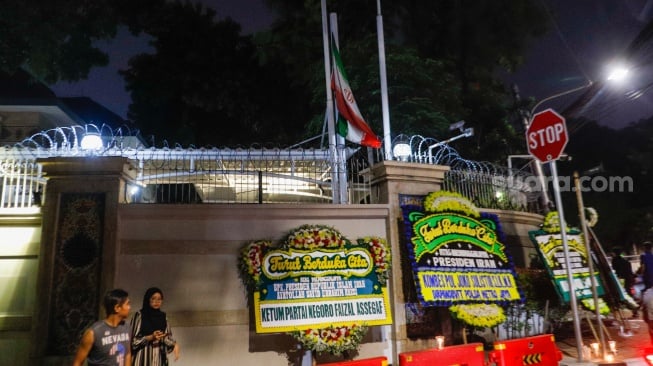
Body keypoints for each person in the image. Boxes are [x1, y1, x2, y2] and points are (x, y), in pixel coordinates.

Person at [72, 288, 132, 366]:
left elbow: (127, 354)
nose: (129, 307)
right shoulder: (94, 333)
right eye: (127, 304)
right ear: (117, 308)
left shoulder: (127, 328)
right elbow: (77, 362)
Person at [130, 287, 180, 365]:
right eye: (153, 298)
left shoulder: (163, 317)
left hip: (158, 358)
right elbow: (133, 342)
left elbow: (166, 337)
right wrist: (150, 337)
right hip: (142, 359)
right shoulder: (139, 316)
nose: (156, 302)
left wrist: (174, 344)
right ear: (148, 299)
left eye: (159, 299)